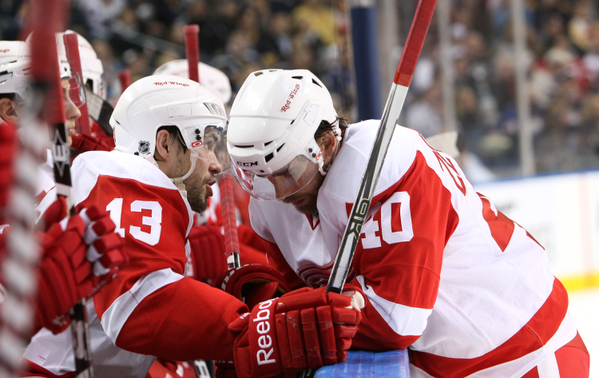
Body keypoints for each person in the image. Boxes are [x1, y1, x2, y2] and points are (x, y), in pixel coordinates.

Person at [225, 68, 591, 378]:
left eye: (288, 171)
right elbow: (299, 298)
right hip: (434, 364)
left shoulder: (391, 166)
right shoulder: (270, 198)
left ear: (325, 143)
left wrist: (295, 325)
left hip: (520, 357)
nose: (278, 191)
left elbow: (395, 317)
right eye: (256, 175)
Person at [20, 74, 362, 378]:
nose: (215, 165)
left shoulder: (113, 180)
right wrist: (255, 328)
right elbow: (138, 306)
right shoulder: (126, 178)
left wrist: (235, 305)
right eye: (207, 143)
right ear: (164, 144)